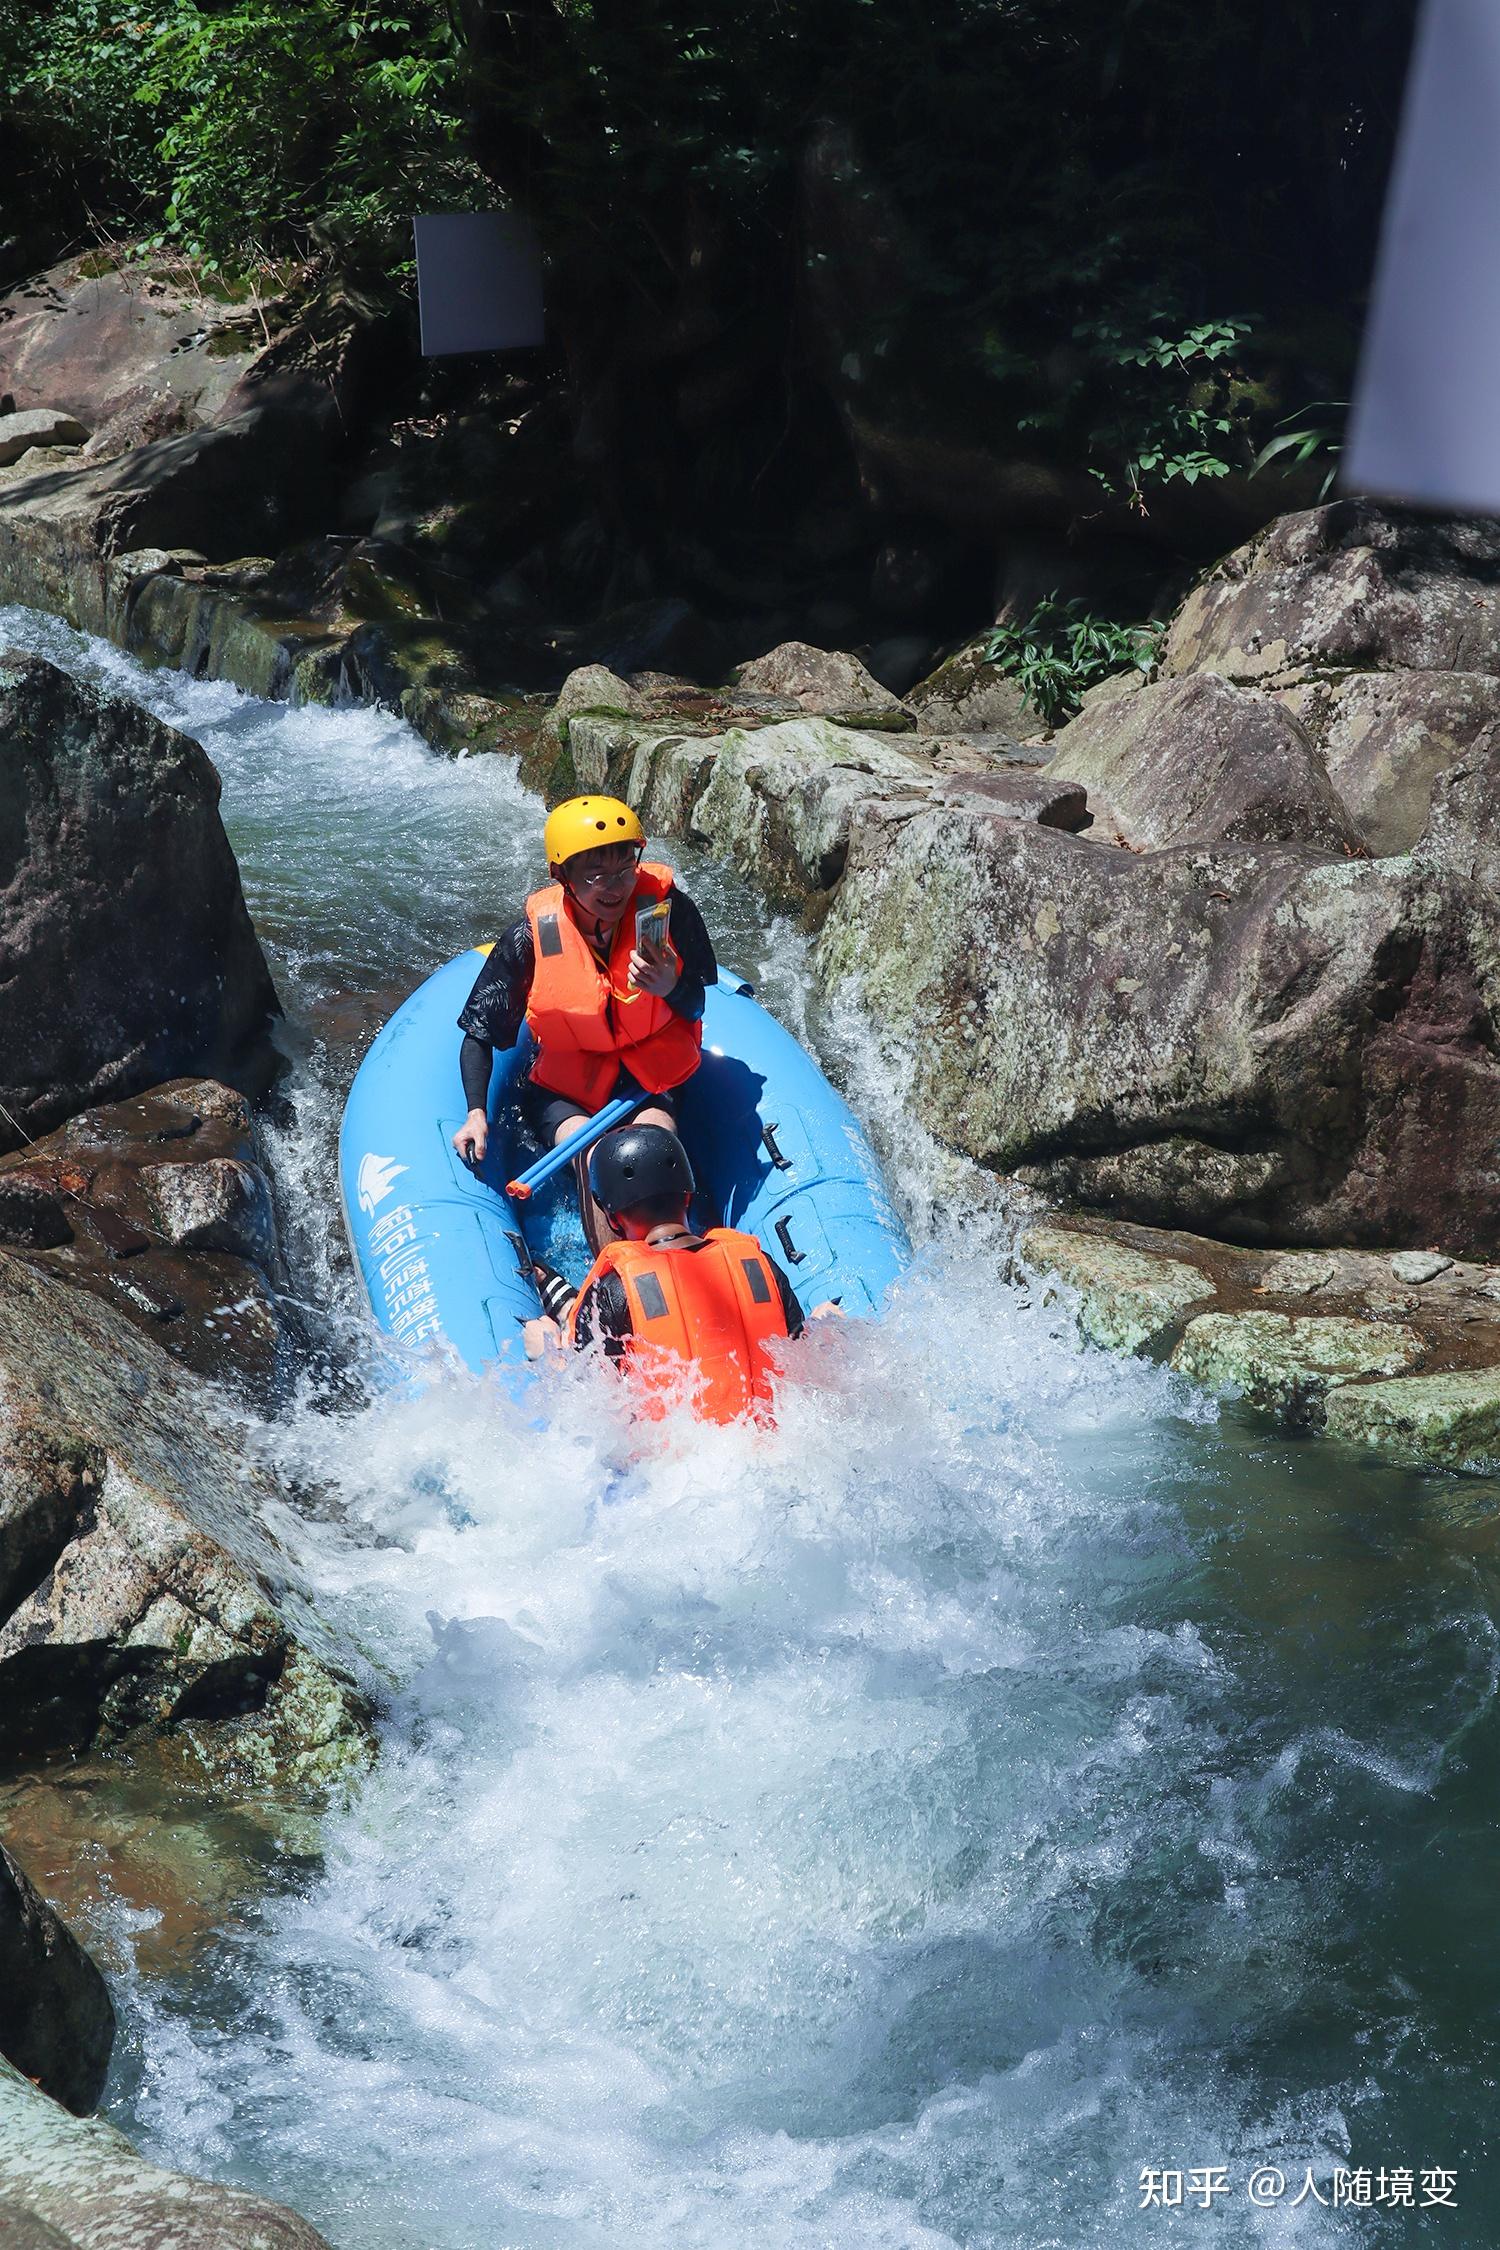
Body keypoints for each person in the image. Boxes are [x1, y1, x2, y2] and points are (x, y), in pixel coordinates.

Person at [453, 796, 718, 1247]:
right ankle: (615, 1276)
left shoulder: (670, 912)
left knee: (653, 1148)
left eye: (623, 869)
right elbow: (479, 1031)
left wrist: (671, 985)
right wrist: (475, 1113)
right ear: (562, 877)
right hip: (565, 1089)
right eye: (596, 875)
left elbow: (695, 1007)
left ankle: (680, 1263)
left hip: (646, 1078)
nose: (614, 887)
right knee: (600, 1157)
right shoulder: (530, 937)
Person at [525, 1124, 840, 1424]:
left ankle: (561, 1309)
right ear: (688, 1195)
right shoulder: (759, 1266)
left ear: (612, 1218)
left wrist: (549, 1357)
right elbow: (799, 1361)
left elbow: (589, 1409)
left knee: (548, 1335)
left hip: (676, 1469)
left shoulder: (613, 1291)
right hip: (775, 1449)